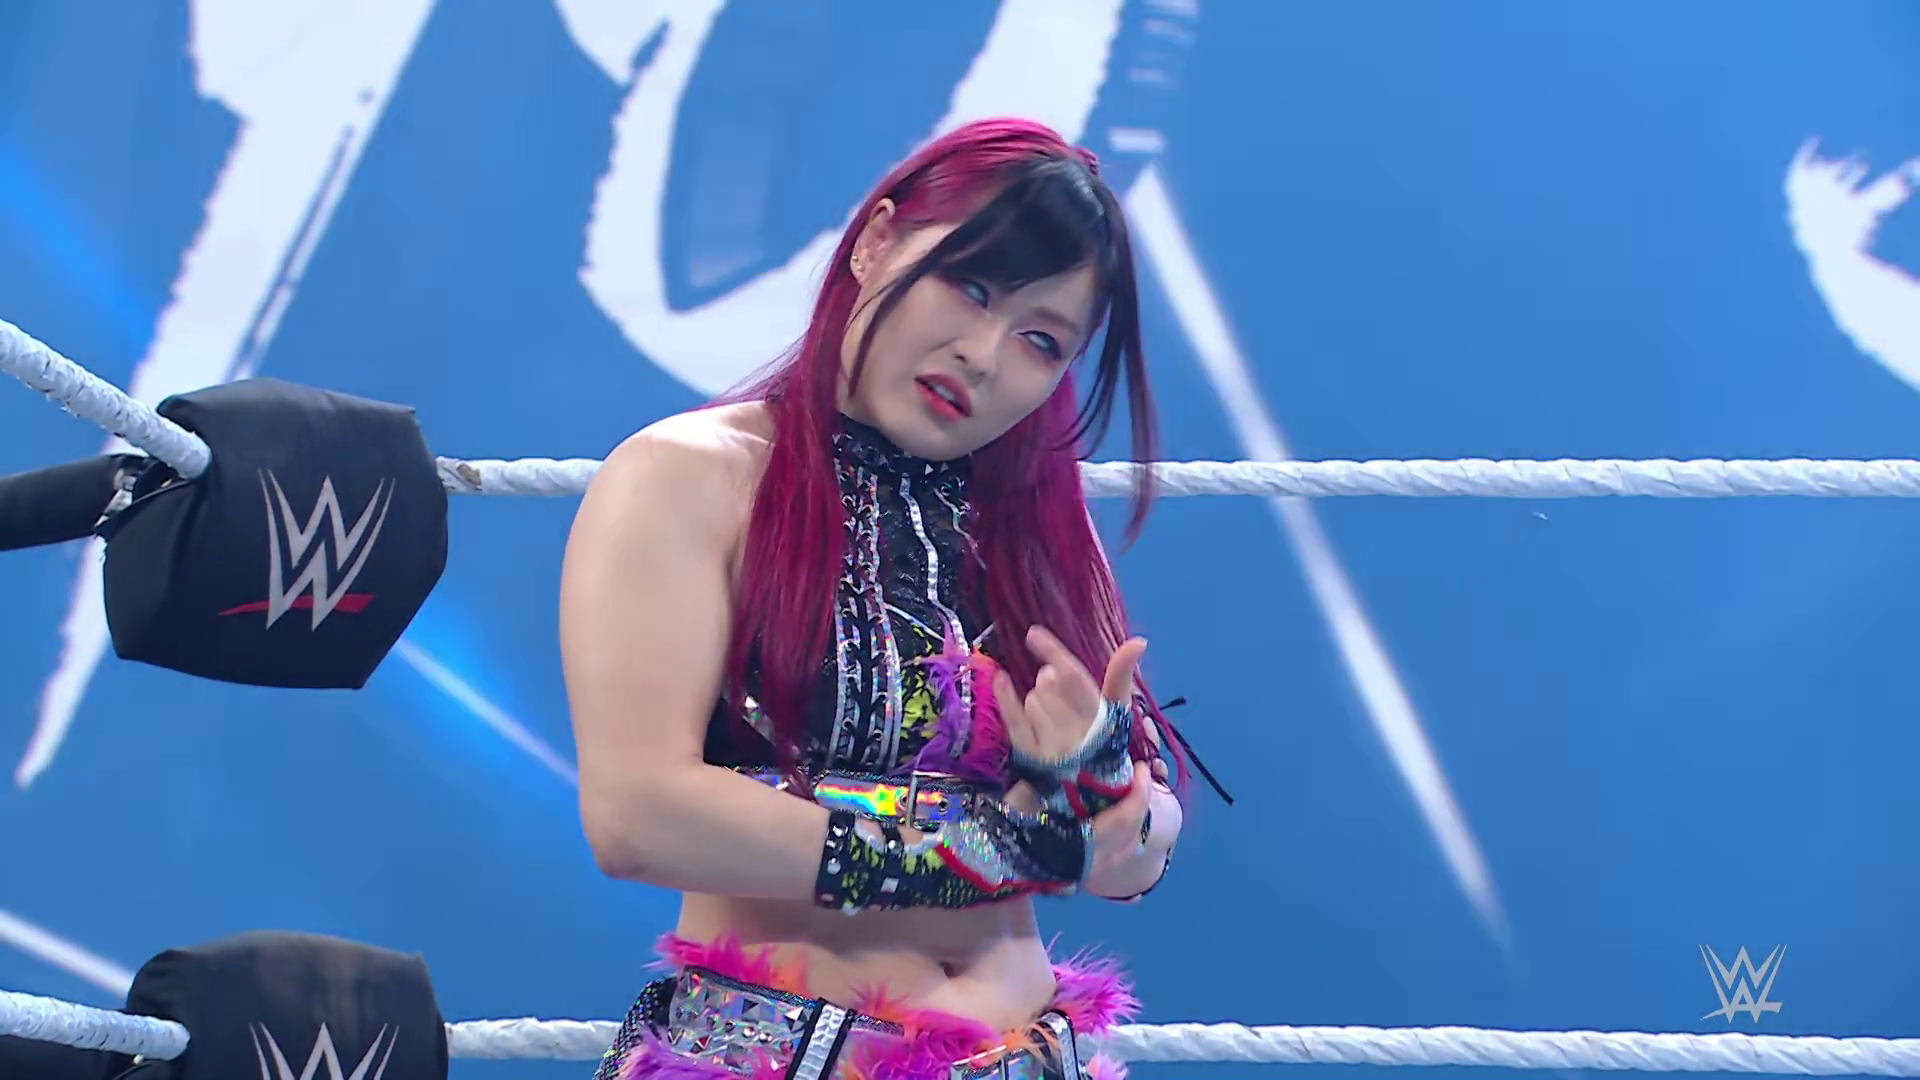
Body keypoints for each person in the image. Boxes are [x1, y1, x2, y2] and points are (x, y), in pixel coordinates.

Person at [560, 118, 1196, 1080]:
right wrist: (982, 852)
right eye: (970, 287)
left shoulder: (1040, 537)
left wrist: (1096, 783)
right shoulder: (688, 475)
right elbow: (637, 816)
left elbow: (1134, 858)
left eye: (1040, 340)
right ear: (875, 241)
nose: (984, 353)